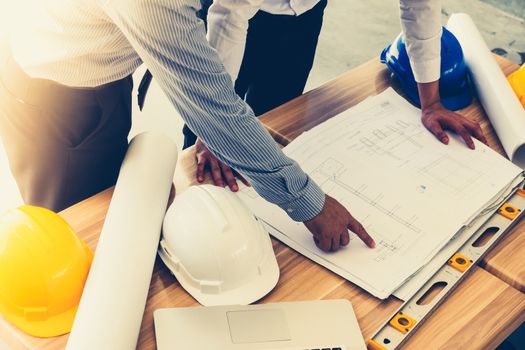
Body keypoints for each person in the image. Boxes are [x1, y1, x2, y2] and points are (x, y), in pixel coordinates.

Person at [191, 0, 488, 190]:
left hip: (302, 16)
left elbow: (419, 6)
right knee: (205, 149)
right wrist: (213, 129)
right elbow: (229, 16)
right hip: (230, 13)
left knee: (276, 120)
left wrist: (432, 103)